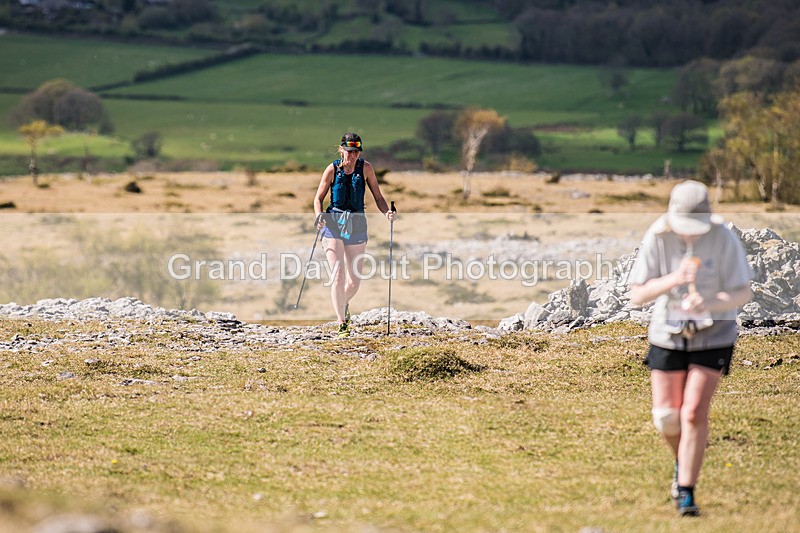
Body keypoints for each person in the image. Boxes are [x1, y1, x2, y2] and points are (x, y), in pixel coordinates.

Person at [628, 180, 753, 517]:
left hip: (716, 331)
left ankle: (686, 491)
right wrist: (673, 280)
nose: (691, 234)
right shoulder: (657, 235)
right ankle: (682, 459)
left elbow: (743, 292)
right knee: (667, 417)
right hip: (667, 332)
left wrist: (710, 302)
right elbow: (637, 294)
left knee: (694, 411)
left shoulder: (724, 237)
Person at [313, 132, 396, 338]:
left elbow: (378, 196)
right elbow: (318, 198)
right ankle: (342, 323)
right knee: (338, 276)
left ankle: (342, 303)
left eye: (356, 152)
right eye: (349, 151)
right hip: (333, 223)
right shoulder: (332, 169)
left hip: (357, 225)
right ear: (341, 150)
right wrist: (318, 216)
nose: (352, 156)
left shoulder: (366, 169)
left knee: (354, 282)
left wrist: (387, 212)